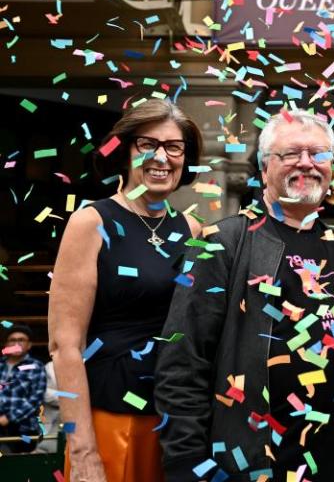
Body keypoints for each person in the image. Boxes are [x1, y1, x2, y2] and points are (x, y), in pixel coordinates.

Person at [155, 110, 334, 482]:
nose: (307, 163)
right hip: (263, 467)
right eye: (291, 154)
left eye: (318, 154)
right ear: (264, 169)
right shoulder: (221, 243)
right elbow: (181, 364)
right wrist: (189, 468)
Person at [48, 99, 203, 482]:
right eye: (147, 144)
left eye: (174, 147)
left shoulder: (194, 230)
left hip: (174, 424)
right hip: (108, 422)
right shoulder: (90, 221)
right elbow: (64, 345)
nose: (161, 157)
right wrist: (82, 450)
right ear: (124, 150)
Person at [0, 323, 46, 454]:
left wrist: (8, 418)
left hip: (24, 431)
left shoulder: (36, 367)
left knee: (7, 458)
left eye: (21, 340)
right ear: (6, 345)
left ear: (29, 345)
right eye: (12, 340)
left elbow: (35, 400)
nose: (16, 343)